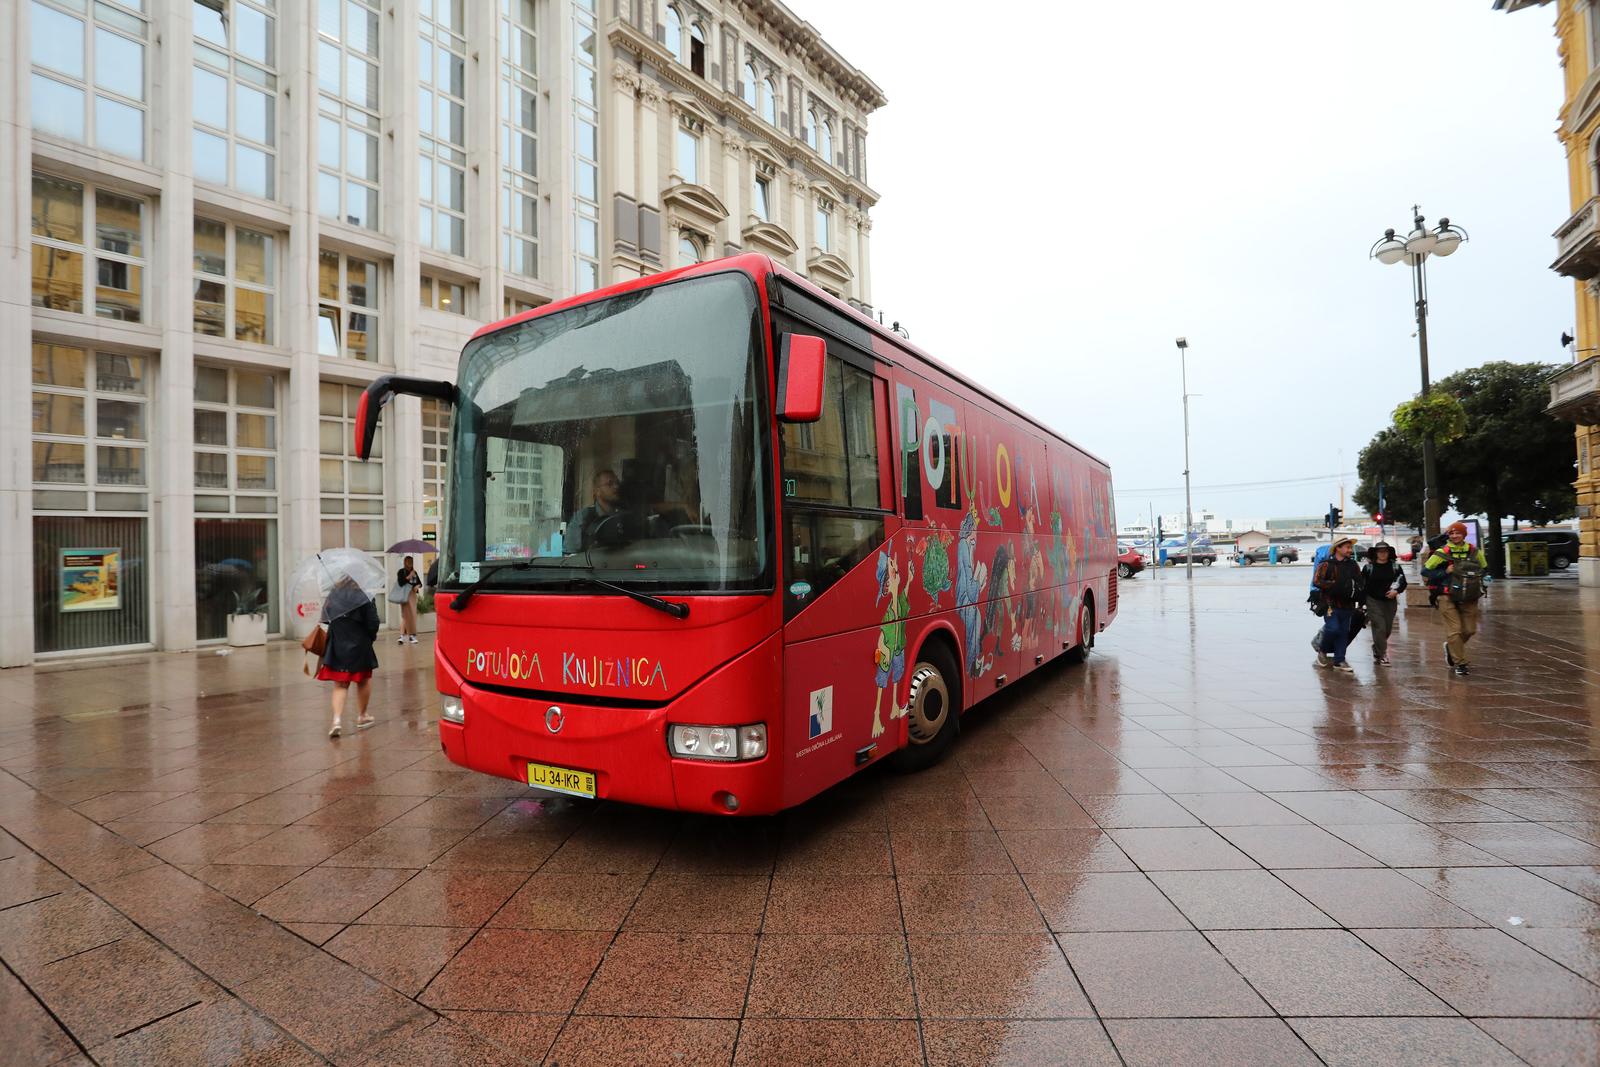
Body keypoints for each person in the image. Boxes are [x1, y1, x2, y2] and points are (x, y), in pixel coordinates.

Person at [1423, 521, 1489, 676]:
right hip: (1446, 595)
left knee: (1470, 630)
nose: (1454, 536)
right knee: (1455, 631)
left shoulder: (1474, 551)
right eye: (1451, 533)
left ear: (1464, 534)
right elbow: (1425, 571)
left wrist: (1481, 579)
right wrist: (1445, 571)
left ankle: (1451, 648)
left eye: (1458, 533)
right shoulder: (1442, 551)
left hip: (1469, 596)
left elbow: (1484, 568)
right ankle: (1460, 663)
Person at [319, 577, 380, 738]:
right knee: (364, 680)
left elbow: (325, 618)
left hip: (338, 643)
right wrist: (371, 637)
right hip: (360, 644)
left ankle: (336, 720)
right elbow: (373, 623)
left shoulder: (334, 594)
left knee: (340, 685)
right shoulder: (364, 595)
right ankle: (362, 715)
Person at [1313, 537, 1363, 671]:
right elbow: (1317, 581)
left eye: (1350, 547)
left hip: (1348, 605)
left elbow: (1360, 582)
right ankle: (1322, 650)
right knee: (1333, 628)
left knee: (1343, 632)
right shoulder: (1326, 564)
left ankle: (1340, 660)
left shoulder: (1353, 565)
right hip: (1330, 604)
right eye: (1347, 547)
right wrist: (1335, 586)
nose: (1349, 550)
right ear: (1338, 548)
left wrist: (1359, 595)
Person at [1361, 541, 1407, 665]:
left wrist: (1396, 591)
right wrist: (1361, 603)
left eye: (1385, 551)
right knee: (1379, 627)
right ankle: (1382, 655)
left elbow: (1403, 582)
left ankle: (1377, 647)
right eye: (1379, 551)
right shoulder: (1368, 568)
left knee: (1387, 629)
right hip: (1373, 601)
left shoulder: (1395, 567)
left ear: (1389, 553)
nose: (1382, 554)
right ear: (1375, 553)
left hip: (1390, 601)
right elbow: (1362, 585)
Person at [566, 469, 628, 552]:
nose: (616, 486)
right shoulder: (583, 517)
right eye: (610, 484)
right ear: (597, 491)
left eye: (617, 483)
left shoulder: (623, 516)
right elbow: (571, 554)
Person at [395, 555, 422, 644]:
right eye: (408, 562)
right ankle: (402, 636)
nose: (410, 563)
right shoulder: (401, 572)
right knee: (405, 615)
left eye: (411, 562)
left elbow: (419, 583)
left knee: (412, 615)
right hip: (404, 595)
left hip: (412, 596)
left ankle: (411, 636)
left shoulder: (415, 572)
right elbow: (401, 583)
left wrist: (417, 586)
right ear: (405, 562)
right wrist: (409, 576)